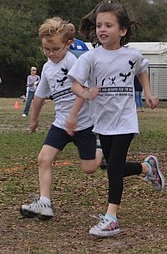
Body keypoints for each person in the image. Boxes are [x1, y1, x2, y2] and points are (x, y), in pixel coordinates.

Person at [66, 0, 164, 238]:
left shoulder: (131, 55)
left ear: (122, 30)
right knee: (112, 167)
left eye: (108, 25)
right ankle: (147, 167)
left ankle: (111, 218)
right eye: (99, 25)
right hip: (102, 121)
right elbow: (75, 83)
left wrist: (148, 93)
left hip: (125, 121)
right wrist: (85, 93)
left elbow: (142, 69)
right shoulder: (91, 58)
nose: (102, 29)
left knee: (114, 169)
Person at [19, 17, 105, 221]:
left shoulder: (75, 62)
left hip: (83, 124)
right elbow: (40, 95)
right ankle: (45, 203)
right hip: (61, 123)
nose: (50, 54)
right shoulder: (47, 67)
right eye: (46, 49)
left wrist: (74, 116)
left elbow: (82, 92)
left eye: (55, 49)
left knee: (89, 168)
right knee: (43, 158)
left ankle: (101, 149)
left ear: (67, 44)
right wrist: (34, 119)